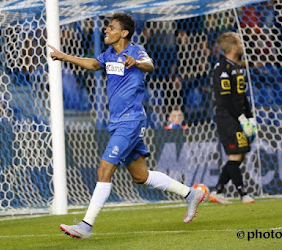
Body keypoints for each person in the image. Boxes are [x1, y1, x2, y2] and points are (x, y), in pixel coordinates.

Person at [48, 12, 205, 239]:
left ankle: (86, 225)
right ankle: (191, 194)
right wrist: (64, 56)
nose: (106, 30)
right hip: (118, 121)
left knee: (104, 168)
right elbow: (93, 63)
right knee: (140, 176)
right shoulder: (109, 54)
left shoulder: (135, 50)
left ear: (124, 33)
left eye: (111, 27)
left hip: (131, 121)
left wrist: (137, 63)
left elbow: (149, 65)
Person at [209, 32, 257, 205]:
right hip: (227, 118)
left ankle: (218, 190)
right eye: (240, 43)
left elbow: (242, 96)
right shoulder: (222, 68)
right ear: (234, 47)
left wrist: (250, 118)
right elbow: (225, 98)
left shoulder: (238, 67)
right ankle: (242, 193)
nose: (243, 46)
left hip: (238, 117)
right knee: (236, 154)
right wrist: (241, 118)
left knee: (240, 154)